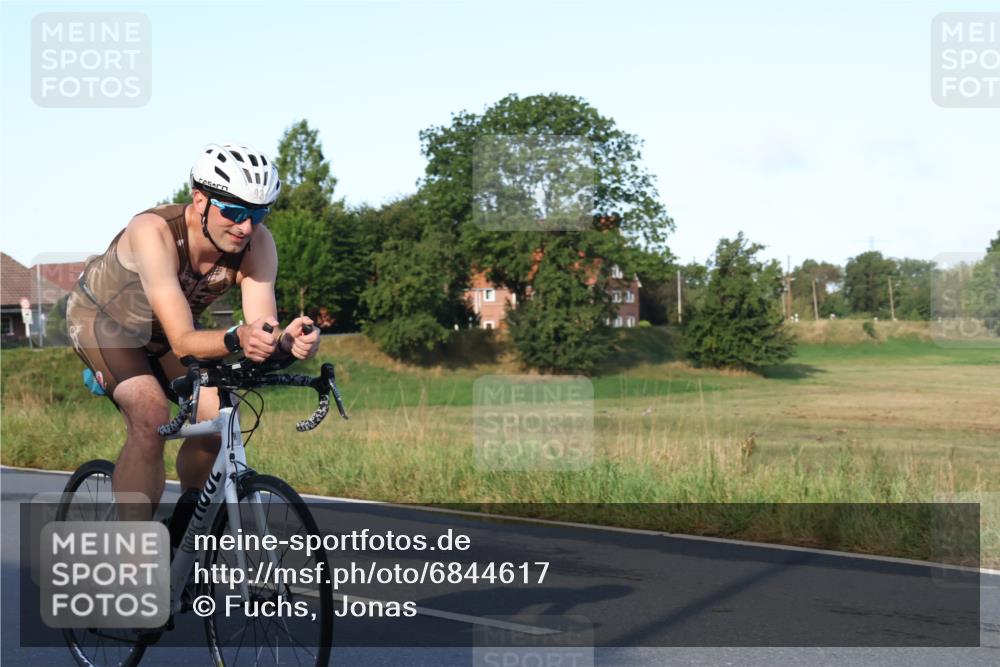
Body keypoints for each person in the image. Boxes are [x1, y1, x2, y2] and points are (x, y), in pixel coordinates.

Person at [66, 143, 320, 519]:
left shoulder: (258, 244)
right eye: (234, 212)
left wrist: (285, 341)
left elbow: (262, 325)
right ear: (200, 200)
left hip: (165, 333)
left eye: (258, 214)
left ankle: (188, 522)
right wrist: (237, 337)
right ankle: (135, 545)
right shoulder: (153, 231)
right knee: (150, 415)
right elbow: (185, 341)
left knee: (221, 420)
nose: (246, 227)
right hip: (104, 324)